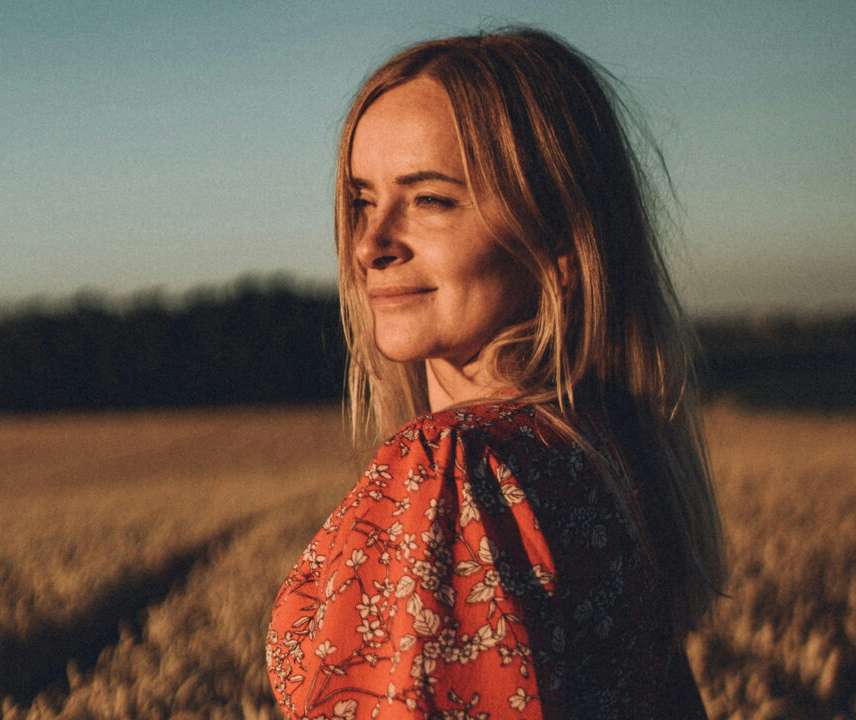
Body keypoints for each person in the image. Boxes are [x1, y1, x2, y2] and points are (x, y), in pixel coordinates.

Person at [266, 28, 725, 720]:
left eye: (430, 200)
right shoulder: (601, 455)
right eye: (363, 200)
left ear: (559, 243)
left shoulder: (455, 470)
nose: (369, 243)